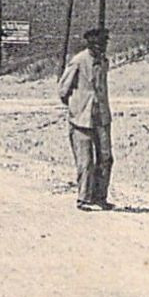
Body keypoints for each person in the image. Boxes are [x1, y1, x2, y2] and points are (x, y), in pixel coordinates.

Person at [58, 27, 113, 211]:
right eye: (99, 45)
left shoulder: (104, 62)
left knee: (106, 158)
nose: (102, 48)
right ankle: (84, 198)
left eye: (104, 44)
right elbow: (63, 90)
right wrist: (76, 107)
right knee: (86, 161)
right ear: (91, 45)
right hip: (81, 118)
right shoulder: (79, 61)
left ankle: (100, 197)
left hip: (102, 117)